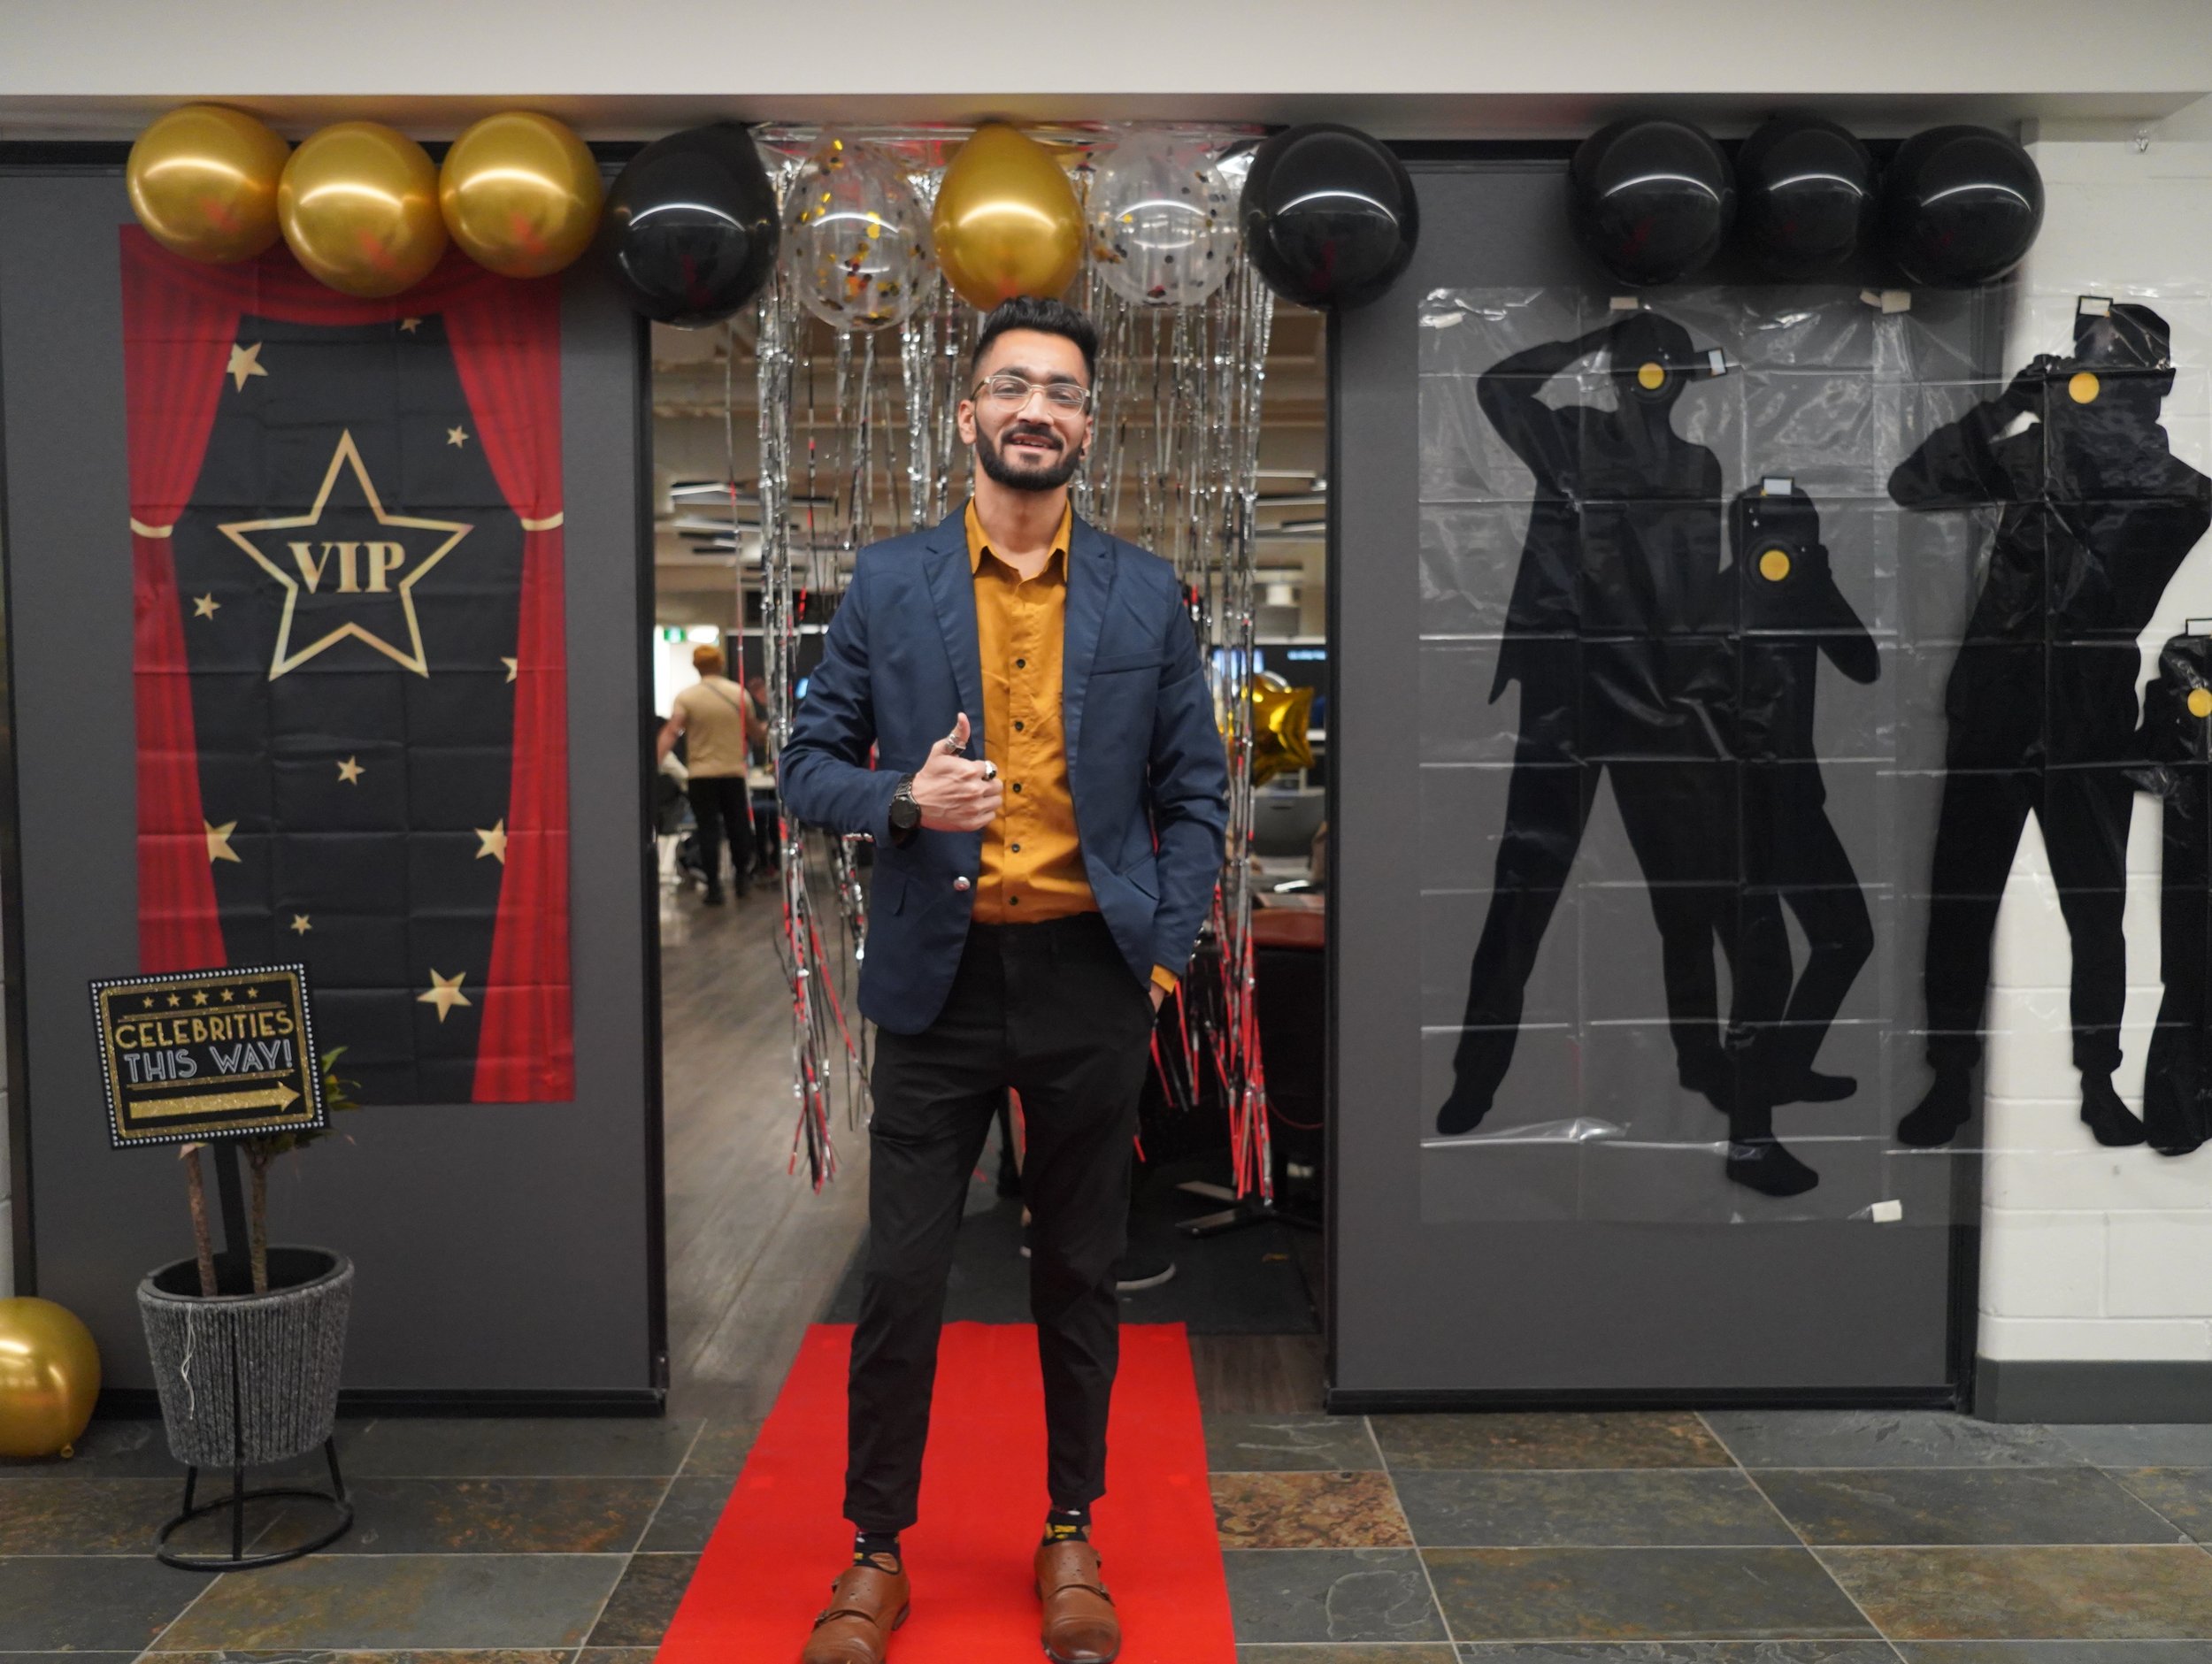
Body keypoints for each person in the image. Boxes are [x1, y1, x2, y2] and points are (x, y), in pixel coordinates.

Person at [779, 295, 1227, 1664]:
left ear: (1088, 425)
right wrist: (905, 801)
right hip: (938, 978)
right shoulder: (891, 581)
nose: (1039, 409)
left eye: (1064, 392)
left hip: (1093, 972)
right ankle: (874, 1548)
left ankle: (1070, 1524)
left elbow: (1194, 794)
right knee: (905, 1275)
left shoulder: (1145, 592)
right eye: (1013, 386)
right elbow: (805, 767)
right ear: (966, 411)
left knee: (1081, 1270)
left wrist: (1158, 960)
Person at [1438, 310, 1820, 1195]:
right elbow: (1496, 387)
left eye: (1663, 367)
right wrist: (1586, 341)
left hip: (1659, 699)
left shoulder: (1698, 467)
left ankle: (1721, 1091)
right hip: (1568, 692)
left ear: (1685, 378)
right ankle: (1473, 1080)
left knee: (1695, 901)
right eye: (1636, 366)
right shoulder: (1570, 435)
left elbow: (1692, 587)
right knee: (1523, 891)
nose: (1650, 379)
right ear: (1616, 376)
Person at [1890, 299, 2212, 1149]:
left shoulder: (2181, 492)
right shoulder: (2037, 453)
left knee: (2095, 909)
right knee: (1962, 899)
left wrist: (2058, 433)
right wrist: (2008, 408)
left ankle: (2098, 1081)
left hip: (2086, 716)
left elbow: (2105, 571)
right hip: (1996, 701)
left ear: (2152, 383)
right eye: (2080, 357)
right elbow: (1914, 484)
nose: (2083, 372)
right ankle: (1950, 1077)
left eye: (2101, 360)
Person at [657, 642, 757, 904]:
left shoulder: (687, 697)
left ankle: (713, 886)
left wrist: (654, 761)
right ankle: (742, 879)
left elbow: (672, 731)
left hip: (701, 774)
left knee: (708, 829)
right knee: (738, 826)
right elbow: (755, 731)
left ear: (695, 665)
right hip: (733, 772)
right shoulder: (739, 694)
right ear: (721, 664)